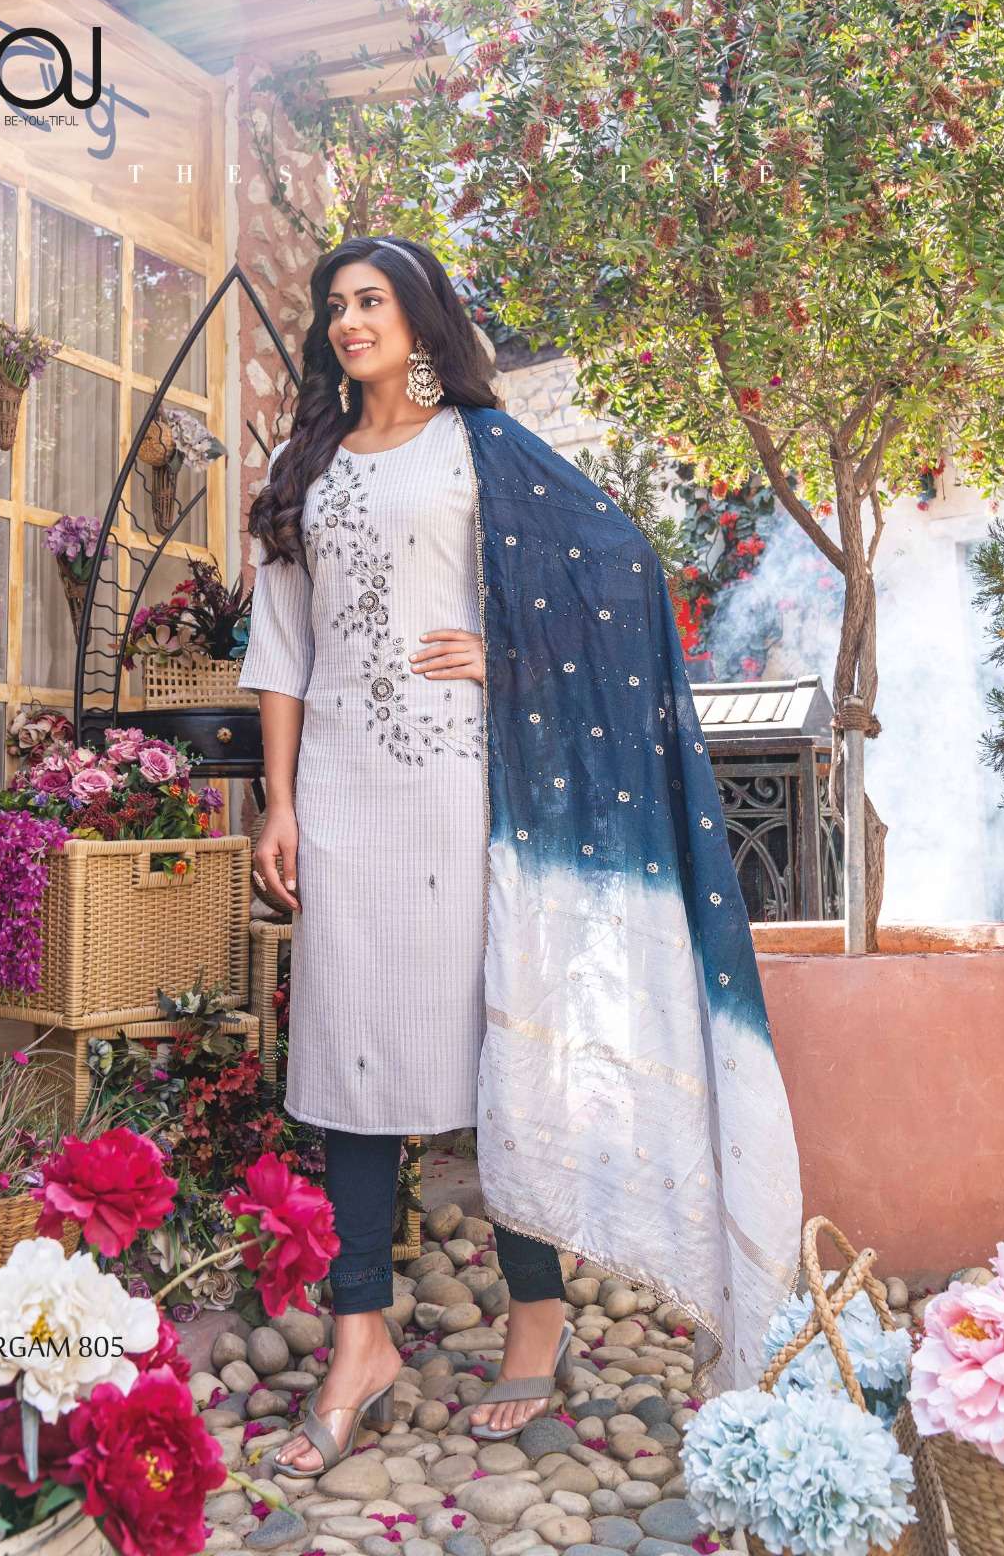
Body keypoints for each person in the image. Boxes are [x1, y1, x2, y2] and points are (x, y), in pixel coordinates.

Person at [238, 235, 803, 1476]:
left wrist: (509, 659)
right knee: (347, 1052)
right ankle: (359, 1338)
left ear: (420, 319)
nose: (348, 321)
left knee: (501, 1043)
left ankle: (536, 1314)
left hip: (458, 791)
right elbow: (280, 647)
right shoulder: (305, 466)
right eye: (335, 305)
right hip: (340, 792)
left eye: (372, 301)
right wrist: (278, 803)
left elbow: (618, 575)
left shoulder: (481, 448)